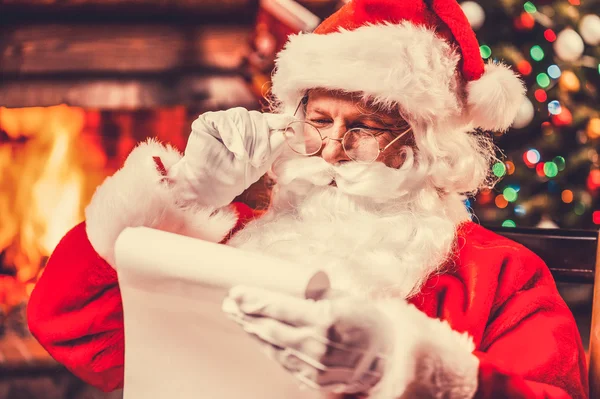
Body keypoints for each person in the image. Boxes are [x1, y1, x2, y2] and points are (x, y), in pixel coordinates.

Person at [27, 0, 588, 398]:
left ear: (425, 146)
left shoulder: (498, 273)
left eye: (366, 126)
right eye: (319, 121)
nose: (332, 151)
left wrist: (408, 371)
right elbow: (70, 326)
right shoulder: (230, 235)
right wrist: (188, 194)